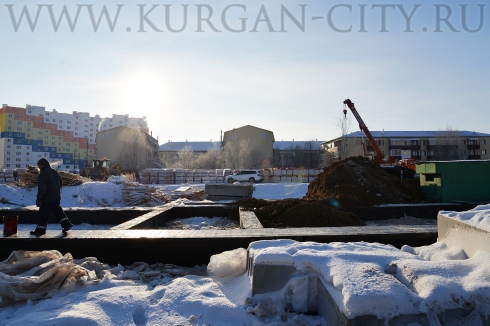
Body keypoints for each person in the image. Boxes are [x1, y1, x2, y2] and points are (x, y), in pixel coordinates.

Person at [30, 158, 73, 236]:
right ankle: (67, 224)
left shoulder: (43, 174)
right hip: (56, 197)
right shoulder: (55, 172)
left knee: (43, 214)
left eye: (39, 165)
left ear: (42, 165)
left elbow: (42, 188)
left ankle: (40, 230)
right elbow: (60, 183)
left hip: (47, 199)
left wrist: (39, 199)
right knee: (58, 212)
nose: (38, 167)